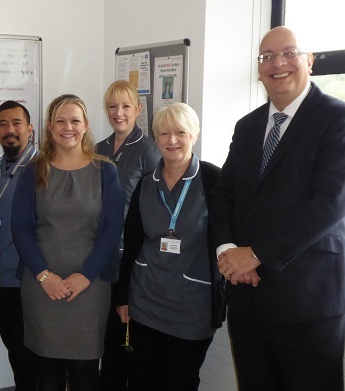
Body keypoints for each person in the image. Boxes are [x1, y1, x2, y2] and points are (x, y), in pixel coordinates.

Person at [211, 26, 345, 391]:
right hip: (247, 299)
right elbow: (224, 194)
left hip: (308, 302)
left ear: (310, 61)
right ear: (259, 69)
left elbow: (330, 203)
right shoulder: (249, 125)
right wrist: (227, 252)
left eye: (288, 53)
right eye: (266, 57)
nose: (277, 63)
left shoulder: (336, 119)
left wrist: (256, 254)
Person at [12, 95, 124, 391]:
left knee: (85, 375)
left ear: (86, 125)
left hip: (90, 288)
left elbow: (112, 230)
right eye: (60, 121)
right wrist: (44, 275)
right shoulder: (32, 172)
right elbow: (21, 229)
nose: (68, 127)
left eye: (75, 120)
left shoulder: (105, 172)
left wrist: (85, 276)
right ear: (50, 127)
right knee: (45, 375)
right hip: (41, 287)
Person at [116, 102, 222, 390]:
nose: (172, 140)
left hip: (192, 307)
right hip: (145, 302)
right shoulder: (147, 184)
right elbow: (133, 241)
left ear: (194, 135)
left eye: (180, 132)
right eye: (163, 134)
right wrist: (123, 296)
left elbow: (228, 241)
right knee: (141, 380)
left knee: (180, 381)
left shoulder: (214, 181)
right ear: (155, 138)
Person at [96, 80, 161, 391]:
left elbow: (156, 207)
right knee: (108, 341)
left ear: (138, 109)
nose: (118, 113)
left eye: (125, 106)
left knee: (130, 342)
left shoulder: (149, 150)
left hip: (132, 259)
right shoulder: (99, 149)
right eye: (112, 106)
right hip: (102, 257)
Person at [0, 100, 37, 391]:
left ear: (30, 129)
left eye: (17, 123)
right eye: (3, 124)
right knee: (16, 353)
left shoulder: (44, 169)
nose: (10, 130)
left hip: (31, 281)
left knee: (33, 355)